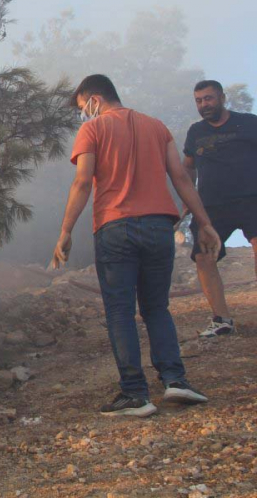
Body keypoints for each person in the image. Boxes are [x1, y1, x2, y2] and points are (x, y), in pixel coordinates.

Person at [50, 74, 221, 418]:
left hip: (116, 229)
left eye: (84, 107)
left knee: (120, 311)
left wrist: (65, 230)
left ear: (95, 98)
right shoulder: (156, 127)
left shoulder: (93, 130)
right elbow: (182, 177)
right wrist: (205, 223)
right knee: (157, 308)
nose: (84, 114)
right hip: (159, 226)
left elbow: (83, 181)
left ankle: (135, 394)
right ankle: (176, 380)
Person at [183, 79, 257, 338]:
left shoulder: (249, 122)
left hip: (252, 199)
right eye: (199, 100)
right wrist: (186, 200)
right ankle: (221, 319)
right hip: (211, 206)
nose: (204, 104)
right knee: (204, 257)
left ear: (222, 97)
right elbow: (189, 166)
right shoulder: (195, 132)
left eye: (209, 98)